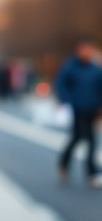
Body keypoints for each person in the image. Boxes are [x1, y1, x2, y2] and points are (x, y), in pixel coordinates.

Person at [55, 37, 102, 187]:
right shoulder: (70, 67)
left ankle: (89, 173)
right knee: (83, 138)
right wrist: (65, 101)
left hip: (92, 109)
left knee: (84, 139)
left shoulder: (95, 68)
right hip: (77, 109)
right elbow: (61, 84)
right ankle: (88, 172)